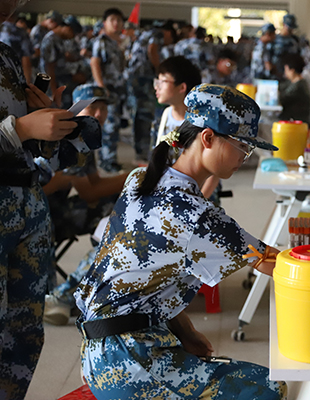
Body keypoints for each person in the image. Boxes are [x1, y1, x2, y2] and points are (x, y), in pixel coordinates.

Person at [74, 84, 286, 399]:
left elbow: (144, 276)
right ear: (208, 138)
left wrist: (185, 331)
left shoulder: (140, 180)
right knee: (267, 389)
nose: (245, 157)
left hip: (101, 351)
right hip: (129, 361)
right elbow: (280, 265)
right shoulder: (196, 216)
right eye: (242, 146)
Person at [0, 1, 97, 396]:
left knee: (22, 333)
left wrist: (47, 121)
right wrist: (21, 128)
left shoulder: (6, 55)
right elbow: (14, 131)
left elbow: (24, 144)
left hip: (24, 204)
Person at [42, 83, 129, 326]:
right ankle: (70, 292)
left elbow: (93, 185)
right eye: (92, 108)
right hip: (43, 215)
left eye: (103, 108)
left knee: (119, 213)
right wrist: (133, 177)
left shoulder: (86, 137)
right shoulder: (71, 138)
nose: (99, 114)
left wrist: (129, 180)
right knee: (118, 219)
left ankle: (99, 279)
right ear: (77, 109)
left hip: (54, 209)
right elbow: (89, 192)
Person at [126, 22, 175, 164]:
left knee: (140, 115)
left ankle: (140, 152)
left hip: (135, 77)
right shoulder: (156, 34)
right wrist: (160, 71)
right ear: (168, 32)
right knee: (145, 115)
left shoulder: (144, 34)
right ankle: (143, 153)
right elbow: (152, 49)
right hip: (144, 78)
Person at [91, 7, 127, 173]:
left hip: (117, 90)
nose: (116, 23)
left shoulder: (117, 43)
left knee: (114, 125)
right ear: (105, 23)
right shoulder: (102, 41)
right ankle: (107, 160)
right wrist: (101, 86)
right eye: (112, 20)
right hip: (107, 90)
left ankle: (109, 158)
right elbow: (95, 63)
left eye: (119, 20)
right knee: (109, 126)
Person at [39, 15, 83, 106]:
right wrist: (54, 92)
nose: (72, 37)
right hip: (53, 85)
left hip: (61, 82)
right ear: (68, 29)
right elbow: (49, 68)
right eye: (73, 34)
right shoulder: (50, 40)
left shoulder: (58, 39)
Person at [278, 53, 310, 124]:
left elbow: (283, 98)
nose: (285, 73)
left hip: (296, 122)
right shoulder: (297, 82)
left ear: (292, 70)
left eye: (286, 69)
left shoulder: (298, 86)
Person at [0, 15, 33, 83]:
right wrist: (27, 83)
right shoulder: (21, 33)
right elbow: (26, 59)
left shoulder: (3, 30)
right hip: (13, 74)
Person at [272, 14, 301, 80]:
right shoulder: (275, 39)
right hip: (278, 71)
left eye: (292, 28)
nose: (290, 30)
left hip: (291, 72)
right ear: (283, 24)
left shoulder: (295, 40)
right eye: (289, 28)